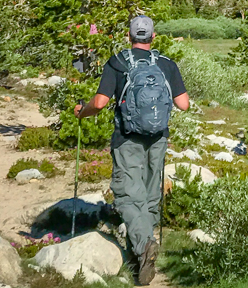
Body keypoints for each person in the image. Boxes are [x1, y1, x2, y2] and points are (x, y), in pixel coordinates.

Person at [74, 16, 190, 284]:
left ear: (129, 36)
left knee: (126, 196)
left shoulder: (118, 62)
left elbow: (101, 103)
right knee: (149, 197)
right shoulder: (166, 64)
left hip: (127, 138)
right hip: (158, 138)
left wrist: (83, 112)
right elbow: (183, 104)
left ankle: (143, 247)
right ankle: (142, 255)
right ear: (153, 37)